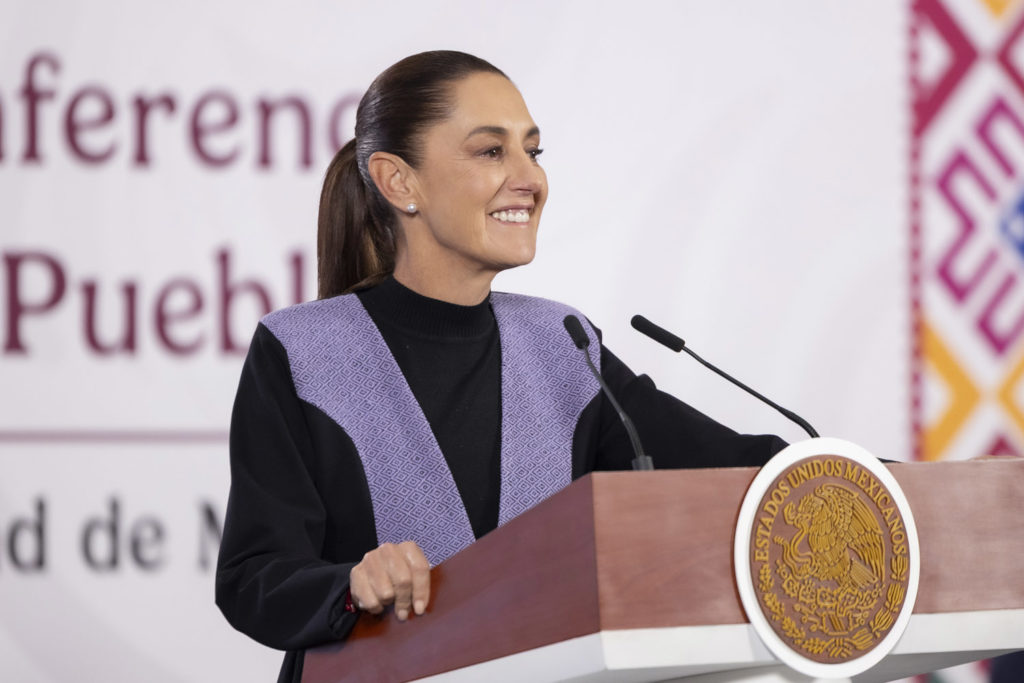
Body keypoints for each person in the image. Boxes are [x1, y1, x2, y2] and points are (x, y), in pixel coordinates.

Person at [215, 50, 785, 683]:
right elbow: (253, 578)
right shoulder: (303, 351)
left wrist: (854, 481)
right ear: (399, 182)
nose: (529, 178)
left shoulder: (562, 344)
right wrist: (351, 585)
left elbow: (737, 469)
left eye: (533, 152)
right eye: (491, 152)